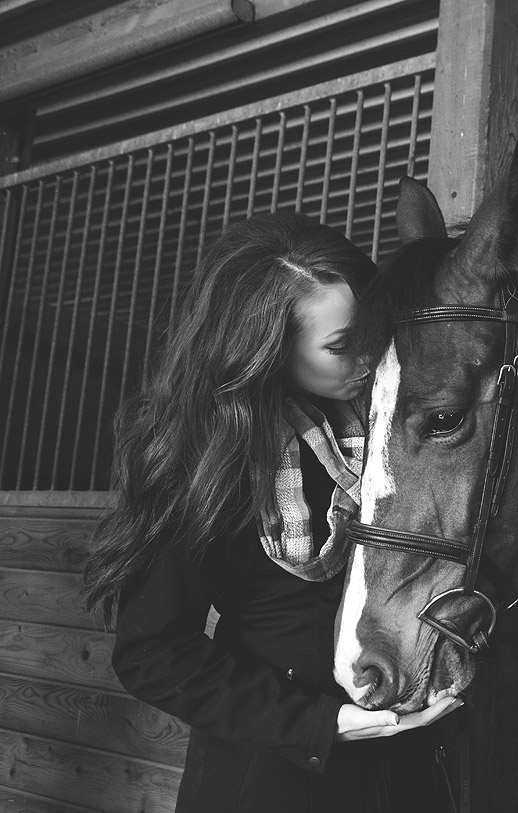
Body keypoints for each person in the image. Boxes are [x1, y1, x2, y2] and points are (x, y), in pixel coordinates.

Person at [83, 212, 460, 813]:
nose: (368, 359)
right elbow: (150, 651)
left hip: (406, 768)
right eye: (341, 346)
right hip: (277, 776)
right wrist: (318, 724)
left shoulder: (403, 435)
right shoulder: (210, 462)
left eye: (374, 332)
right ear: (268, 351)